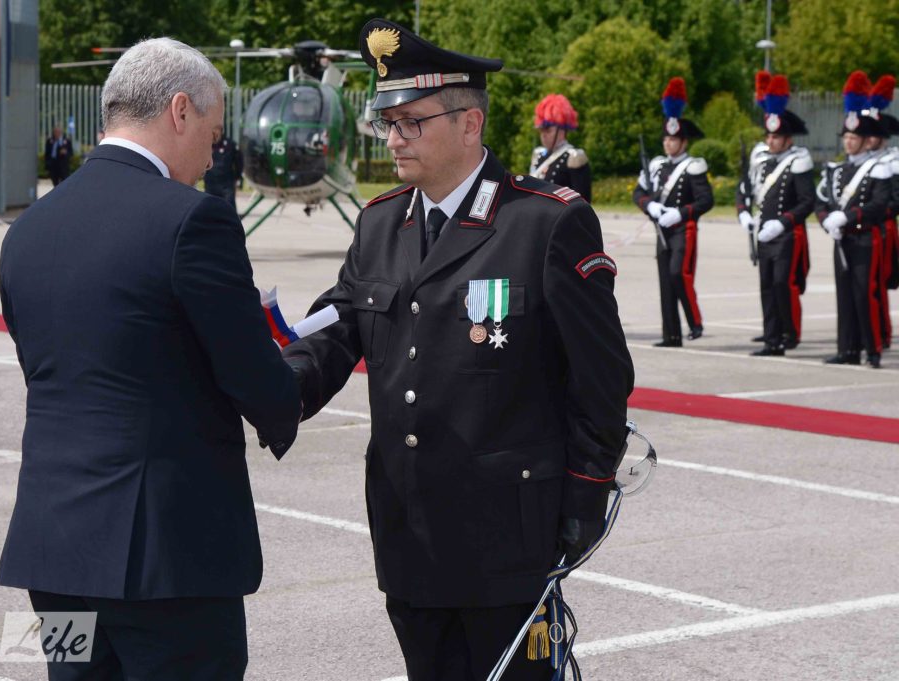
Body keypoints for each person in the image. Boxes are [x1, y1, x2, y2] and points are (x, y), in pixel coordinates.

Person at [282, 19, 633, 681]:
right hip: (408, 533)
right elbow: (334, 328)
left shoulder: (545, 222)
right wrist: (273, 380)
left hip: (508, 540)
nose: (393, 138)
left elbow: (602, 377)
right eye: (388, 122)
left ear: (470, 123)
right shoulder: (380, 222)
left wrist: (585, 497)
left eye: (411, 123)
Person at [0, 38, 301, 680]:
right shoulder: (192, 221)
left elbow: (56, 370)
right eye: (213, 136)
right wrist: (294, 376)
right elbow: (256, 382)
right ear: (180, 111)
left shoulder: (28, 229)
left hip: (54, 554)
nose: (211, 158)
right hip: (165, 559)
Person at [815, 70, 892, 368]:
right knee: (844, 295)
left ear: (864, 141)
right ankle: (846, 349)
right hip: (842, 239)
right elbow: (822, 200)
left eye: (854, 138)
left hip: (865, 239)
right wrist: (826, 221)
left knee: (864, 294)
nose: (848, 142)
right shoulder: (837, 170)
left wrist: (846, 217)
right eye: (846, 137)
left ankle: (872, 349)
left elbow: (879, 205)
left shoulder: (877, 169)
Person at [736, 73, 815, 356]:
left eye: (776, 136)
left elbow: (806, 201)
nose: (771, 141)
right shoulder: (761, 159)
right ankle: (772, 338)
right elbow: (744, 188)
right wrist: (743, 213)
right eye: (768, 136)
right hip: (763, 232)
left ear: (788, 138)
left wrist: (782, 223)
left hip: (786, 234)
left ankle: (789, 332)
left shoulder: (798, 161)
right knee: (767, 286)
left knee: (783, 283)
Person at [633, 77, 713, 347]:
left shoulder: (694, 166)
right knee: (665, 283)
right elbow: (638, 193)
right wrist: (650, 205)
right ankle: (671, 335)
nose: (668, 143)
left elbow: (706, 200)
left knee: (679, 273)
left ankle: (695, 322)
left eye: (674, 139)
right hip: (661, 229)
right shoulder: (656, 165)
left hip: (683, 229)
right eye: (666, 138)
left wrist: (680, 213)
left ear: (684, 142)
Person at [866, 75, 899, 349]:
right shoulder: (861, 161)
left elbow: (896, 200)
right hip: (863, 227)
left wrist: (873, 214)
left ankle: (883, 332)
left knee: (878, 281)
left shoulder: (893, 160)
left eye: (873, 134)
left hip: (883, 227)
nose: (868, 138)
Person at [529, 94, 591, 202]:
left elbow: (582, 202)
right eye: (541, 130)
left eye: (548, 130)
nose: (543, 135)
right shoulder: (538, 155)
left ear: (561, 131)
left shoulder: (574, 157)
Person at [203, 122, 243, 207]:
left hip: (226, 185)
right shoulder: (206, 145)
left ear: (221, 131)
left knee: (228, 208)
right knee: (209, 210)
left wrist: (237, 178)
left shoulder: (230, 145)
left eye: (217, 131)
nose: (215, 134)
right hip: (210, 184)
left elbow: (239, 162)